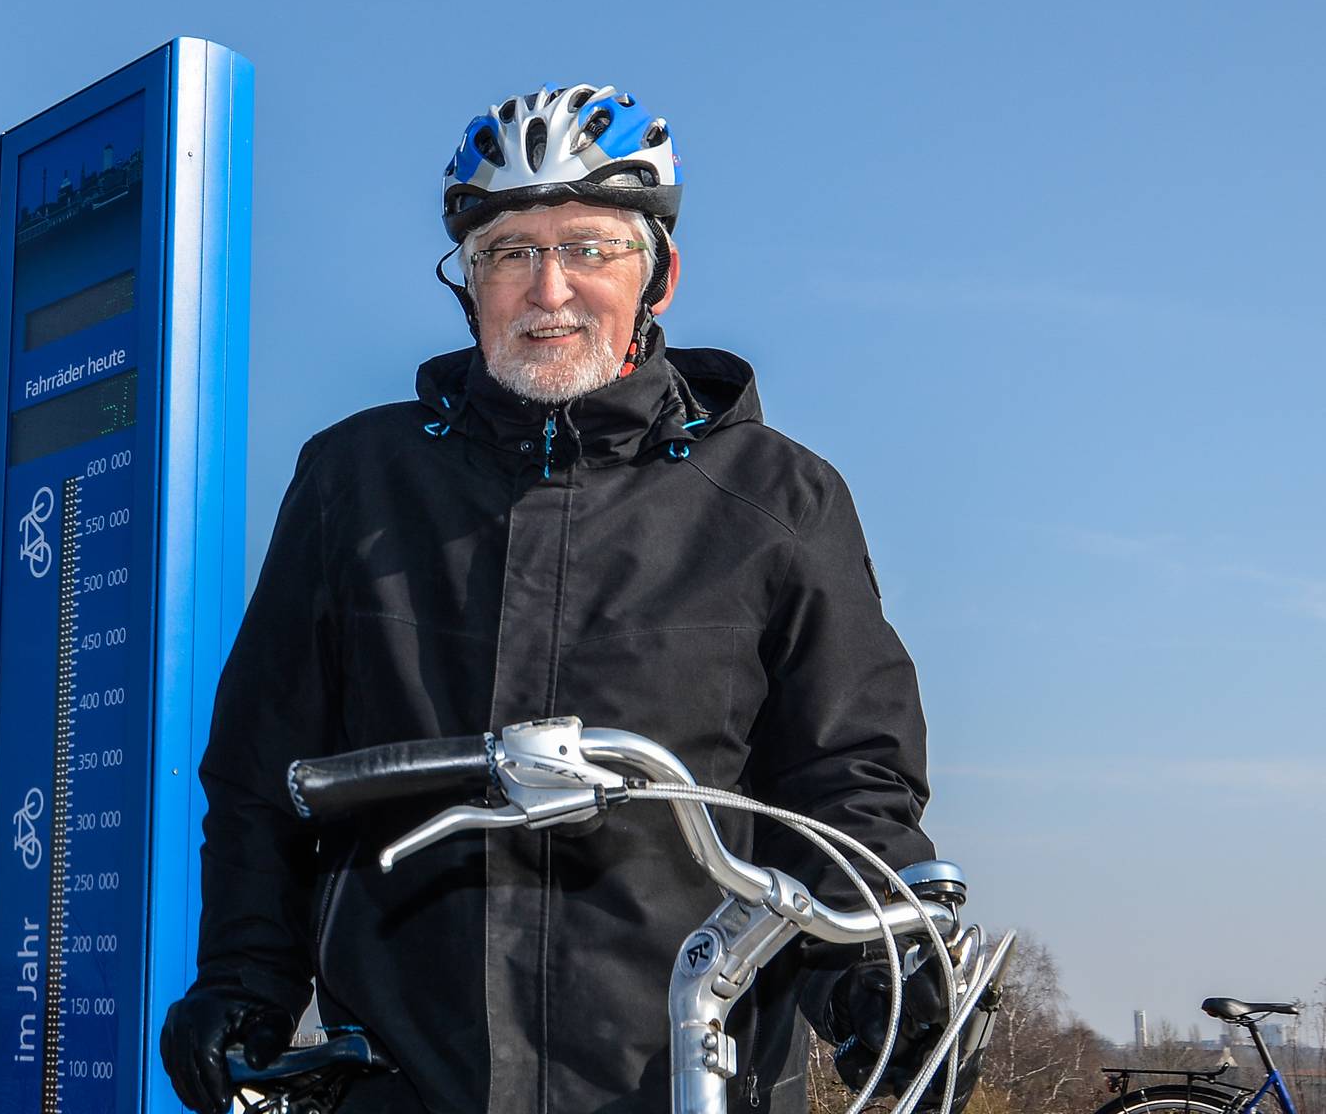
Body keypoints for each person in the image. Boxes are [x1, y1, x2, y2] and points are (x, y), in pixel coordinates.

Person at [160, 86, 965, 1114]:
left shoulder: (777, 498)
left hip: (681, 1069)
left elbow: (846, 778)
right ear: (470, 282)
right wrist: (243, 979)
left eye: (589, 248)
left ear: (658, 275)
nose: (549, 289)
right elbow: (261, 778)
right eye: (509, 252)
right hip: (403, 1076)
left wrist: (873, 972)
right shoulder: (354, 482)